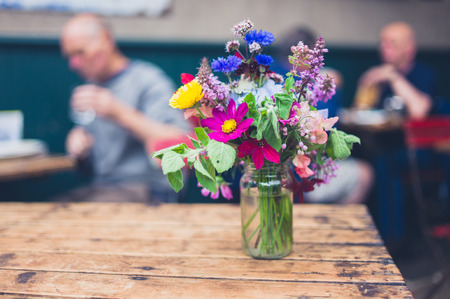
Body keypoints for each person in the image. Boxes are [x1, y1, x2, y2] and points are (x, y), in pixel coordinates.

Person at [58, 13, 190, 203]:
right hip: (103, 188)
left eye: (80, 52)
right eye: (70, 56)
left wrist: (119, 112)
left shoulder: (148, 81)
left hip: (149, 189)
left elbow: (179, 143)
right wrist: (81, 148)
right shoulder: (91, 88)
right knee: (47, 214)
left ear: (106, 40)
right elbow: (92, 166)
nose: (74, 64)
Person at [273, 26, 373, 204]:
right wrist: (332, 85)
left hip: (276, 168)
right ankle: (339, 226)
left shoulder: (270, 75)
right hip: (299, 171)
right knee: (365, 174)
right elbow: (329, 126)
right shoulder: (319, 81)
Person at [353, 21, 435, 120]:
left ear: (409, 48)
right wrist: (365, 85)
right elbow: (358, 112)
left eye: (392, 43)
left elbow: (419, 111)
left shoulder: (423, 73)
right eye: (383, 42)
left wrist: (394, 77)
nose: (384, 48)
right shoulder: (377, 76)